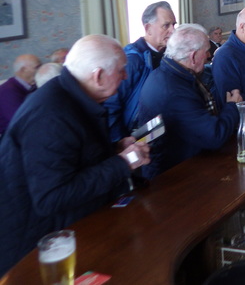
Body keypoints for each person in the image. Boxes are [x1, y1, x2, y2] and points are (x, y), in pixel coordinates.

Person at [0, 35, 150, 275]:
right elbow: (52, 197)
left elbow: (76, 155)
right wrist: (123, 163)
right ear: (98, 76)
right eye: (121, 70)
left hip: (67, 230)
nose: (125, 76)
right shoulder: (51, 114)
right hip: (35, 250)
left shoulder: (73, 94)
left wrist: (115, 149)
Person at [137, 24, 240, 179]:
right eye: (206, 51)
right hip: (173, 177)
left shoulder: (167, 72)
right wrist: (233, 106)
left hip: (181, 165)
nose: (208, 56)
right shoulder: (175, 91)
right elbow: (214, 136)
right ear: (193, 57)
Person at [103, 1, 177, 142]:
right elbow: (111, 105)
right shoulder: (132, 60)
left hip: (164, 129)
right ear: (148, 28)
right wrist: (120, 142)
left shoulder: (170, 54)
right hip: (137, 136)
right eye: (166, 25)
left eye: (174, 24)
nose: (173, 31)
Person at [0, 54, 41, 136]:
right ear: (23, 70)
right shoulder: (7, 92)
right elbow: (21, 122)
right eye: (37, 67)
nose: (41, 69)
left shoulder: (33, 86)